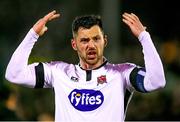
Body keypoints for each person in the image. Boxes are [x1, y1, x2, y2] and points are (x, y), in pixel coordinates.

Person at [5, 10, 166, 122]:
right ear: (74, 44)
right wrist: (32, 34)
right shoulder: (58, 72)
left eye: (96, 39)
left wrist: (144, 37)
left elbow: (157, 81)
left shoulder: (121, 74)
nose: (91, 45)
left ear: (105, 41)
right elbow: (14, 74)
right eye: (84, 40)